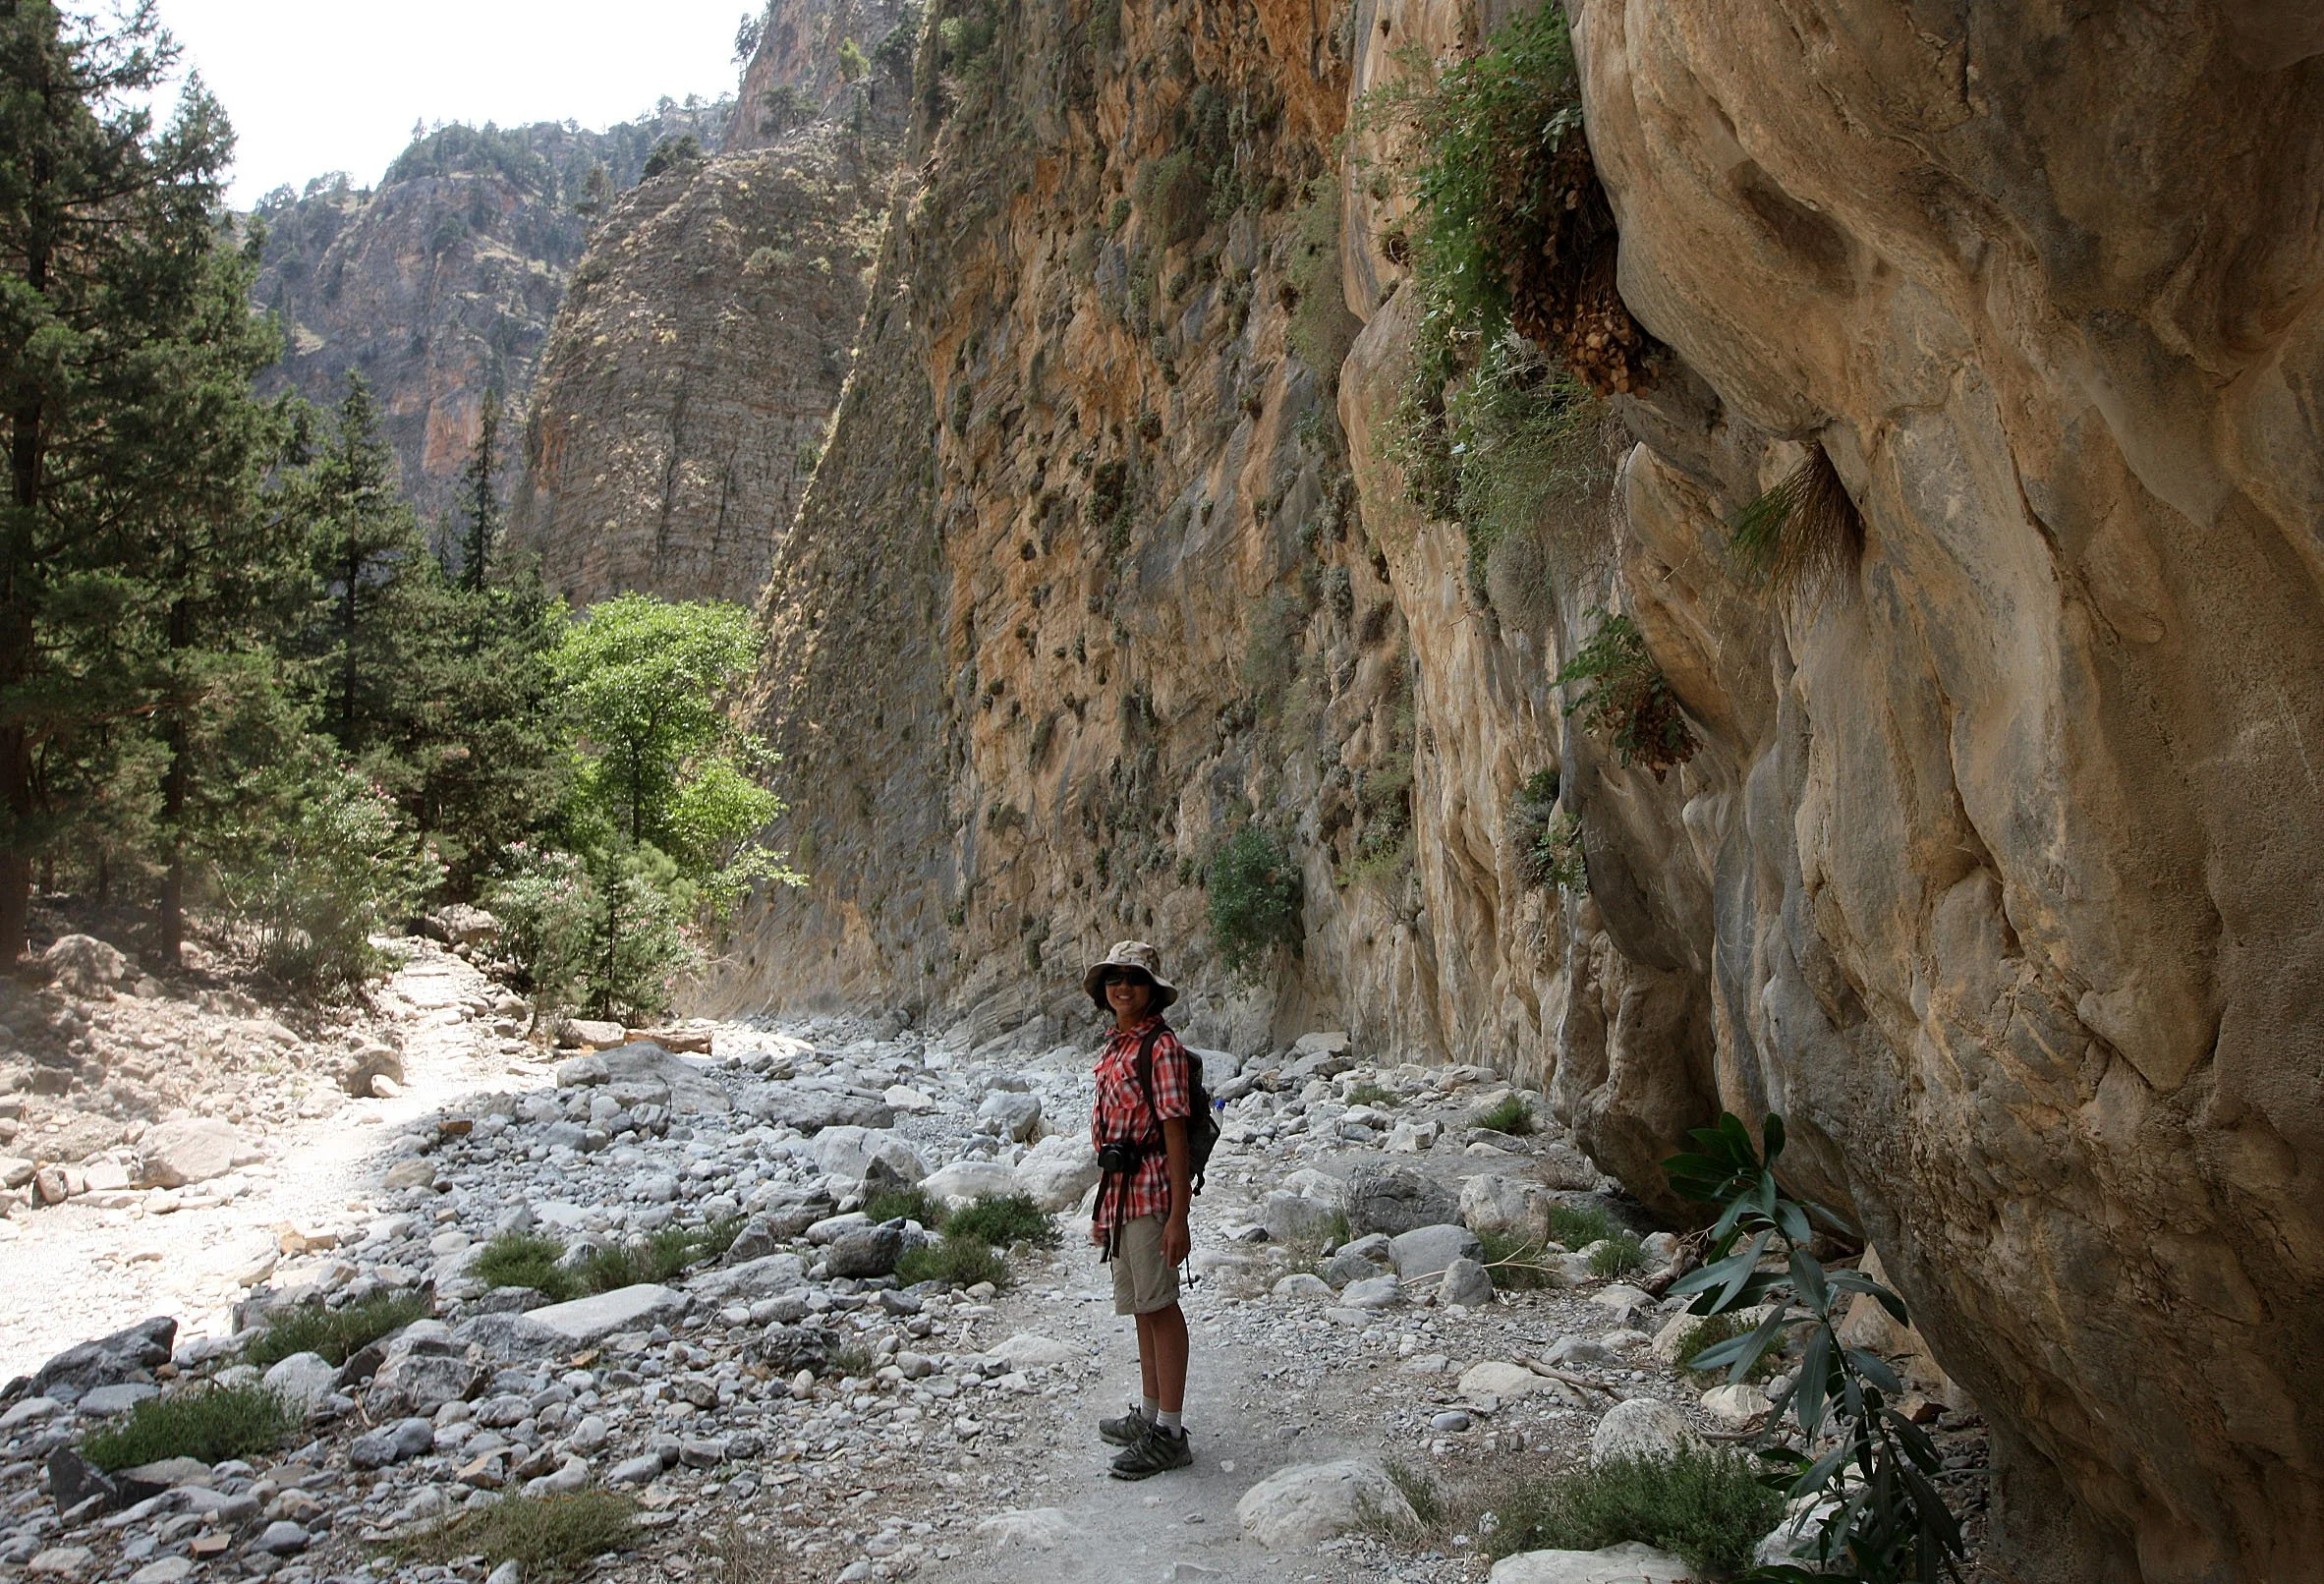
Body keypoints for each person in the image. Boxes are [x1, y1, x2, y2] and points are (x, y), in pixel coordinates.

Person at [1082, 940, 1196, 1479]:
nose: (1122, 985)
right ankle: (1151, 1415)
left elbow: (1174, 1129)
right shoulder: (1116, 1045)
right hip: (1121, 1191)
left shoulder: (1160, 1047)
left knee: (1160, 1305)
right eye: (1113, 978)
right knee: (1141, 1307)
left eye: (1133, 977)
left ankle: (1170, 1432)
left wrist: (1179, 1216)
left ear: (1152, 990)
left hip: (1151, 1190)